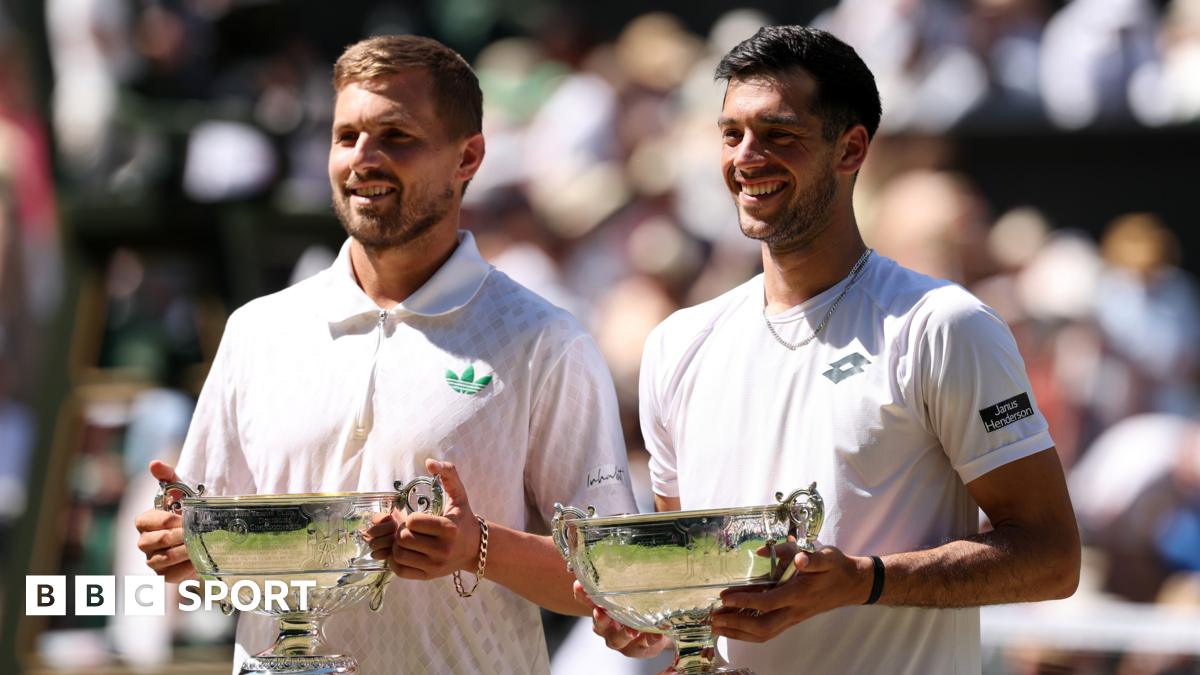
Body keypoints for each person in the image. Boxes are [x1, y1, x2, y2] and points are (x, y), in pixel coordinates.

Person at [583, 26, 1080, 674]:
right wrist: (650, 620)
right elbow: (697, 594)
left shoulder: (944, 327)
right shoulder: (678, 344)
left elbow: (1051, 557)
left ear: (850, 149)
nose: (747, 156)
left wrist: (864, 579)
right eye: (732, 133)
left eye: (778, 134)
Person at [134, 35, 636, 674]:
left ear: (468, 157)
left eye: (396, 137)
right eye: (347, 137)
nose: (363, 160)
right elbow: (221, 575)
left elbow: (611, 578)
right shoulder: (256, 330)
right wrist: (186, 552)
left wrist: (478, 547)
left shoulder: (545, 341)